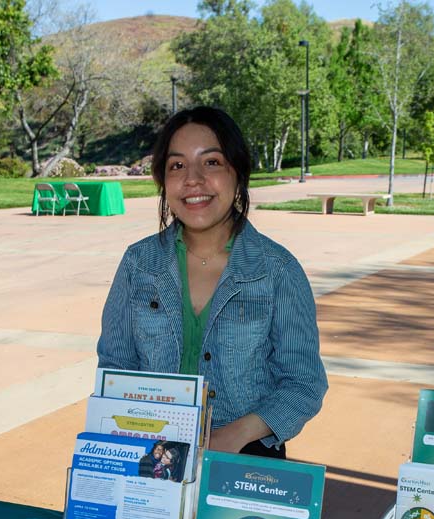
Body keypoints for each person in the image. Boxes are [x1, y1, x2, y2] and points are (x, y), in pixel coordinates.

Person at [97, 106, 327, 459]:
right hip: (148, 459)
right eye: (177, 166)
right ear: (163, 180)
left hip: (245, 464)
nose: (193, 179)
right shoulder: (138, 264)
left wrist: (234, 435)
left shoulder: (277, 271)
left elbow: (304, 384)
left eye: (212, 162)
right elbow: (114, 368)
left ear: (238, 172)